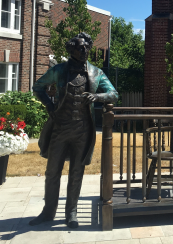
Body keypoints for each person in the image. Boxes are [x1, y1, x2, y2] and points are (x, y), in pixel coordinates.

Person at [29, 32, 118, 228]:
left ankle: (71, 213)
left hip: (83, 130)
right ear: (71, 49)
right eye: (80, 47)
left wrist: (98, 97)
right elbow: (38, 87)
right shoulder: (59, 70)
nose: (84, 50)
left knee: (77, 172)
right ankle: (48, 211)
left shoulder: (96, 73)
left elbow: (114, 94)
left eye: (87, 47)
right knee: (52, 172)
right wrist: (50, 107)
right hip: (60, 128)